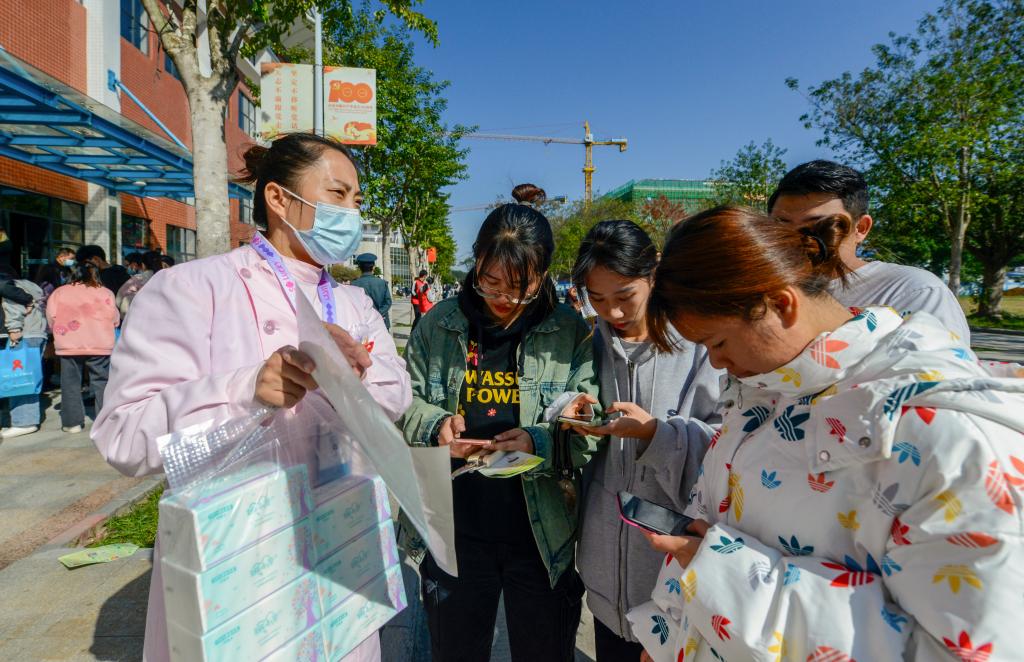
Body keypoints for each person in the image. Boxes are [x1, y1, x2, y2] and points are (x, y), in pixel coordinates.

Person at [634, 206, 1023, 662]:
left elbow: (960, 650)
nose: (716, 363)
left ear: (782, 305)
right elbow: (707, 526)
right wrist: (669, 635)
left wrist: (723, 575)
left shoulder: (955, 441)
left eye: (717, 343)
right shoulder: (765, 391)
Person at [91, 132, 411, 662]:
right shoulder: (192, 289)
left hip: (341, 549)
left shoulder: (355, 303)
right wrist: (245, 389)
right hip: (238, 557)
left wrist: (352, 381)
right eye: (337, 195)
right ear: (279, 198)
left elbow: (396, 397)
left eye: (356, 201)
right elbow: (124, 438)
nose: (351, 214)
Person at [399, 183, 599, 662]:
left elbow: (590, 430)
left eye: (519, 287)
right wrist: (435, 426)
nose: (504, 298)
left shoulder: (569, 331)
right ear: (476, 263)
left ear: (543, 275)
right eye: (490, 282)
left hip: (541, 537)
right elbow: (402, 403)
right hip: (455, 532)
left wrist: (539, 440)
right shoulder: (439, 324)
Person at [566, 221, 721, 661]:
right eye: (597, 299)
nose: (612, 313)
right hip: (602, 571)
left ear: (653, 272)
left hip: (671, 574)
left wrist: (656, 434)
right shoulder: (587, 343)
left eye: (624, 296)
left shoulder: (701, 344)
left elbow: (726, 448)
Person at [768, 160, 971, 342]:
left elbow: (945, 367)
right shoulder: (764, 290)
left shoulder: (914, 291)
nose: (794, 238)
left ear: (861, 228)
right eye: (781, 225)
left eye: (817, 226)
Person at [46, 263, 119, 434]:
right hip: (100, 343)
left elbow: (51, 317)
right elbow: (115, 319)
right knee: (102, 382)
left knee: (70, 382)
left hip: (69, 344)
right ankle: (104, 422)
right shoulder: (105, 292)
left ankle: (72, 423)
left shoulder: (60, 292)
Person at [0, 264, 48, 438]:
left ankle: (24, 422)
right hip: (37, 332)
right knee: (28, 376)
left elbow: (12, 307)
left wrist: (14, 329)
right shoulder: (31, 285)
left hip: (23, 334)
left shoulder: (12, 287)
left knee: (19, 378)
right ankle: (25, 419)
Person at [115, 250, 164, 316]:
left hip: (139, 316)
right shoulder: (166, 278)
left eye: (127, 265)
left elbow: (118, 299)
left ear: (143, 265)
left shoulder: (138, 279)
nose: (126, 268)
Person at [351, 252, 392, 329]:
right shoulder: (381, 283)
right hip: (381, 321)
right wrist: (377, 314)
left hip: (362, 323)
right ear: (373, 267)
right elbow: (388, 302)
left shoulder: (353, 284)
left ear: (359, 267)